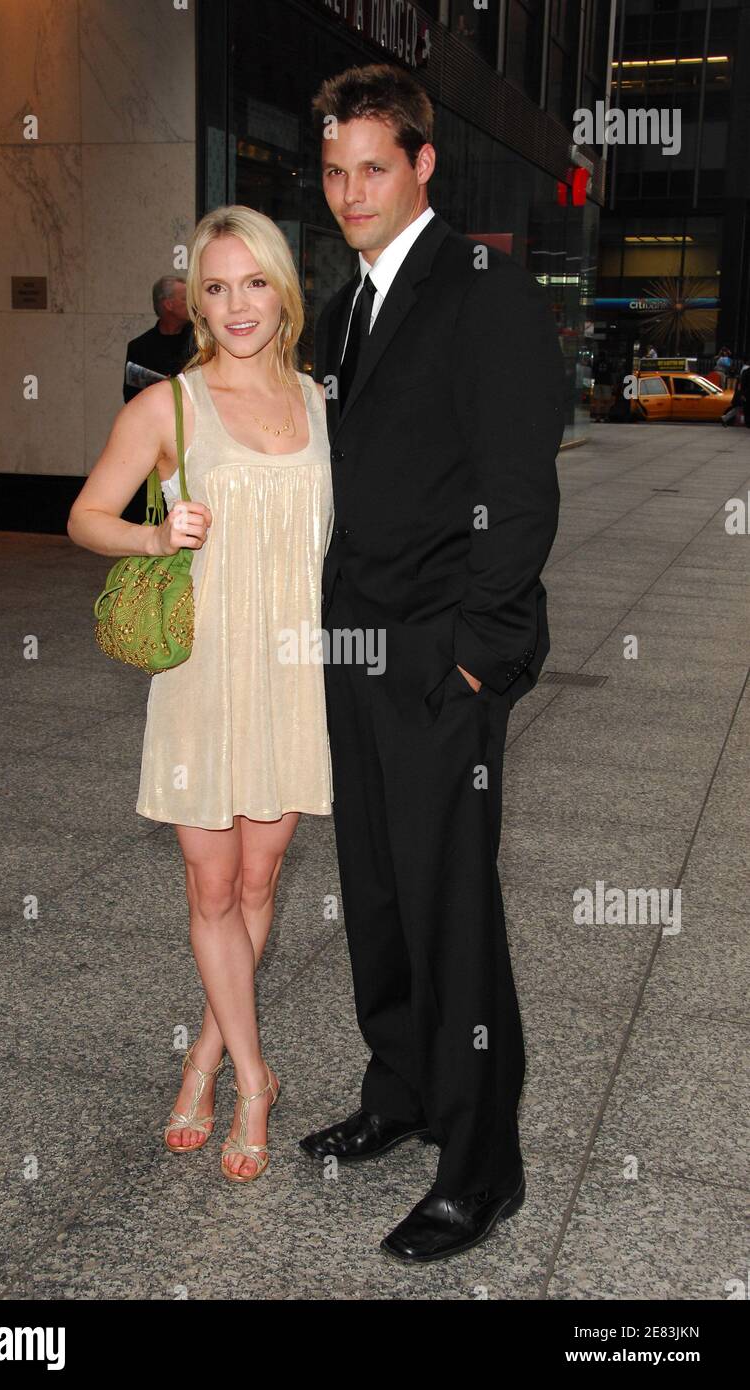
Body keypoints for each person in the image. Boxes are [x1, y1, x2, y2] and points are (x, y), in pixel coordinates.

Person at [301, 63, 564, 1263]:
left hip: (438, 657)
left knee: (450, 908)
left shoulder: (484, 291)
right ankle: (400, 1091)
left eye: (371, 166)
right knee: (379, 890)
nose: (349, 189)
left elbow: (517, 496)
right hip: (354, 646)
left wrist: (474, 660)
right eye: (332, 168)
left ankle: (479, 1167)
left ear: (420, 165)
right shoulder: (346, 304)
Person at [68, 207, 333, 1183]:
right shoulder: (167, 409)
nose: (234, 305)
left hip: (293, 679)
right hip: (202, 682)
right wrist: (152, 535)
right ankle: (254, 1079)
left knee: (260, 883)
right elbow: (86, 515)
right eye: (214, 288)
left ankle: (204, 1054)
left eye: (251, 283)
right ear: (195, 299)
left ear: (280, 288)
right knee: (211, 886)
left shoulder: (317, 401)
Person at [123, 275, 194, 403]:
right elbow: (131, 398)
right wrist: (161, 390)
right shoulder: (139, 348)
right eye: (185, 299)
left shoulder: (202, 340)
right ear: (168, 305)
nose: (191, 304)